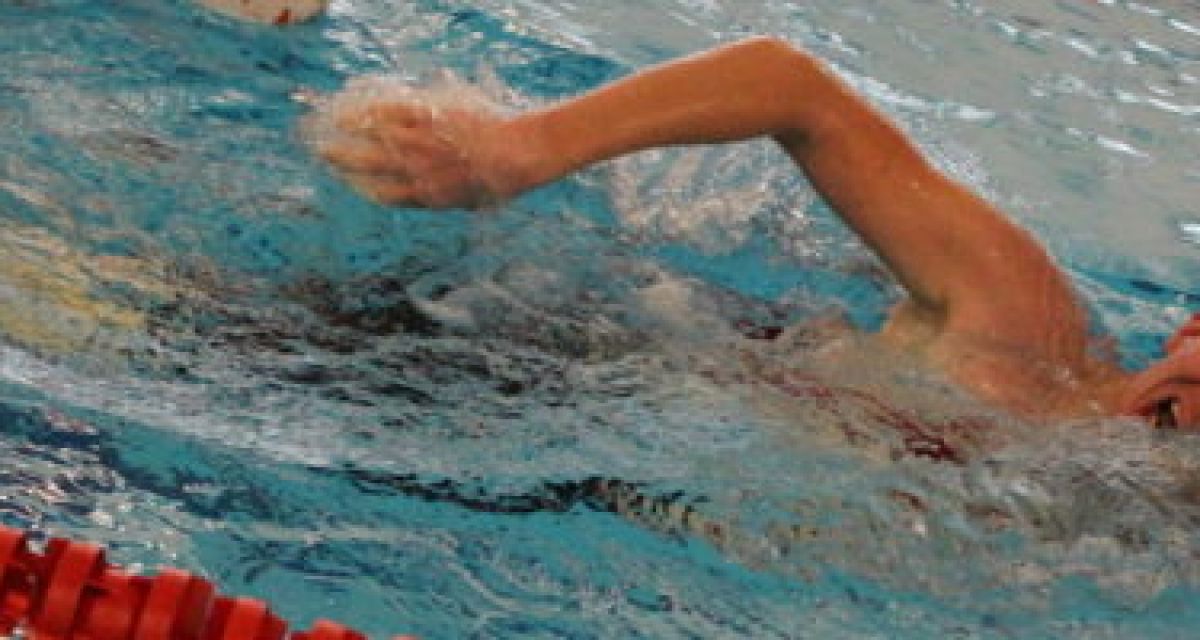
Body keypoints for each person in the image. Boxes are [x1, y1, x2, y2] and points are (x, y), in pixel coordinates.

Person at [316, 36, 1200, 429]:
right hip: (563, 363)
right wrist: (516, 151)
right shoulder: (1024, 325)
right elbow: (790, 87)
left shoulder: (1142, 536)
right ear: (1187, 335)